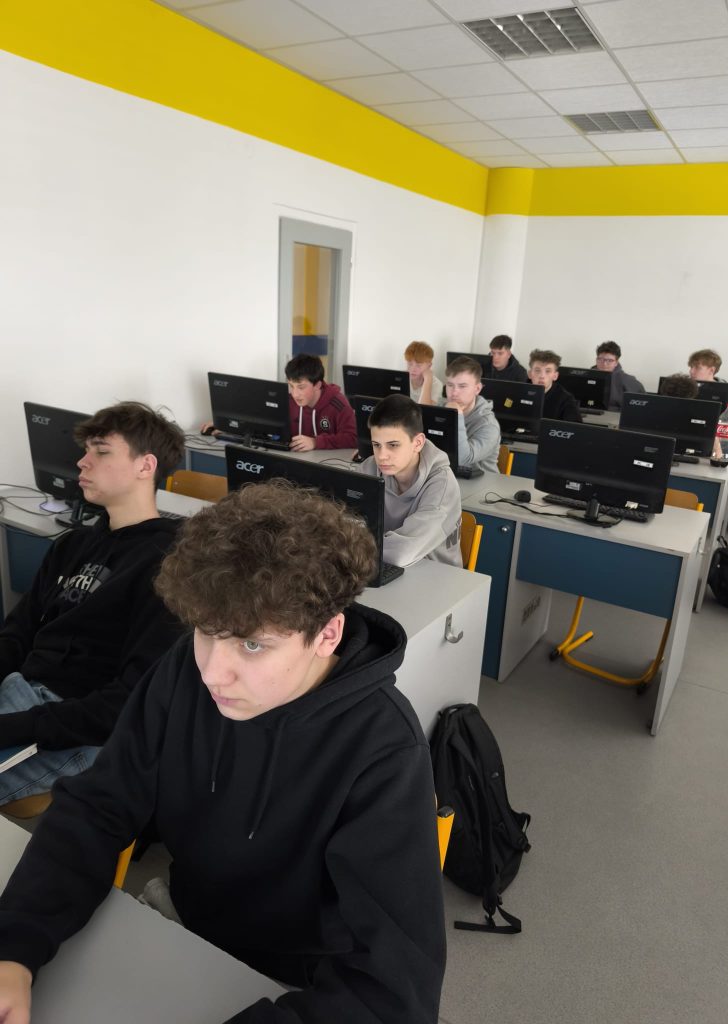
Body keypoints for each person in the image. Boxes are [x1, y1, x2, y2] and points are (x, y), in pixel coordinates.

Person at [0, 482, 446, 1024]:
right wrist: (14, 944)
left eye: (252, 645)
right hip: (185, 928)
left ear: (327, 635)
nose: (212, 672)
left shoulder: (384, 749)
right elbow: (97, 807)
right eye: (204, 633)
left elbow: (392, 995)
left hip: (302, 979)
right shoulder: (184, 670)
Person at [0, 402, 185, 807]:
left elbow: (130, 701)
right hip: (21, 696)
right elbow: (17, 633)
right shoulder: (73, 544)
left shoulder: (169, 564)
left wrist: (14, 727)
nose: (82, 462)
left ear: (145, 466)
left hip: (79, 727)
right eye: (86, 450)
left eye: (101, 451)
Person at [360, 395, 462, 568]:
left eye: (393, 445)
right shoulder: (369, 468)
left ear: (418, 443)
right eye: (376, 445)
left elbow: (401, 553)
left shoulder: (442, 485)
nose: (381, 456)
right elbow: (345, 522)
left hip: (437, 576)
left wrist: (349, 546)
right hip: (380, 563)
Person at [285, 353, 357, 451]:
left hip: (328, 459)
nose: (295, 394)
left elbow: (352, 438)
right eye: (291, 386)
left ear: (317, 385)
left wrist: (316, 442)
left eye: (301, 387)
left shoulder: (338, 403)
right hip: (293, 457)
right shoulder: (288, 401)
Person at [440, 357, 500, 473]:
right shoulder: (442, 410)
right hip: (448, 476)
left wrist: (457, 416)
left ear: (477, 389)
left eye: (462, 386)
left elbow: (463, 459)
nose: (454, 393)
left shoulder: (489, 425)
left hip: (483, 482)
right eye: (450, 385)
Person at [687, 348, 728, 427]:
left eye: (697, 368)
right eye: (691, 367)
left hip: (717, 434)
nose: (691, 371)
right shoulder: (684, 388)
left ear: (711, 370)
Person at [528, 349, 582, 423]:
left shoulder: (566, 399)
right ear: (530, 374)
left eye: (548, 371)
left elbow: (575, 427)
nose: (542, 376)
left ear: (555, 376)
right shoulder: (519, 391)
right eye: (537, 370)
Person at [593, 340, 645, 411]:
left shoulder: (629, 381)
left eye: (610, 360)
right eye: (601, 359)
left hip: (615, 416)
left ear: (616, 362)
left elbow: (641, 407)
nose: (604, 364)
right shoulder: (585, 376)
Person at [404, 340, 443, 405]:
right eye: (410, 364)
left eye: (418, 365)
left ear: (429, 366)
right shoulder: (402, 378)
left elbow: (426, 409)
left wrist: (427, 381)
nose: (413, 369)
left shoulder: (436, 384)